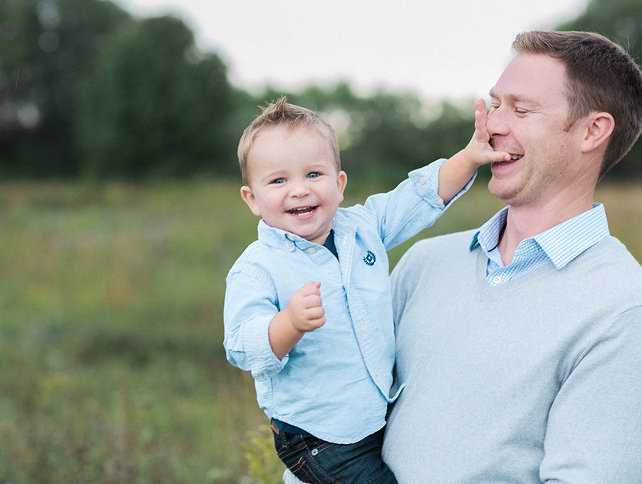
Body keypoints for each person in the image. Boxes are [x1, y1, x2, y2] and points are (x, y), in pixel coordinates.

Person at [378, 31, 642, 483]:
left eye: (521, 109)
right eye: (495, 104)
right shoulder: (424, 263)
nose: (493, 126)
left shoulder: (623, 311)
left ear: (592, 131)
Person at [223, 96, 509, 483]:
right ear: (252, 199)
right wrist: (289, 322)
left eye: (313, 175)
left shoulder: (361, 229)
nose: (299, 190)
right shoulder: (258, 268)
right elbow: (243, 345)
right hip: (317, 436)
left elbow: (417, 197)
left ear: (339, 184)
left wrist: (470, 157)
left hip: (372, 416)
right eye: (278, 180)